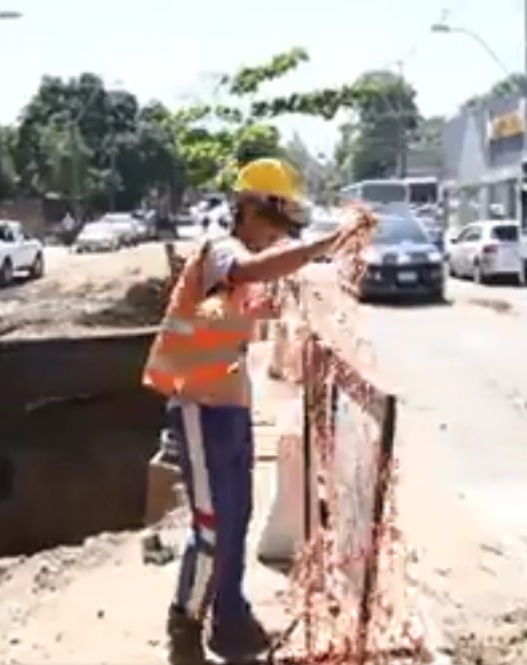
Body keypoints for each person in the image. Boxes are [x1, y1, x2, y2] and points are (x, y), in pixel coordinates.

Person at [143, 157, 375, 663]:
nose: (278, 237)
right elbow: (250, 271)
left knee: (237, 519)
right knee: (210, 527)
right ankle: (184, 627)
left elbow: (254, 305)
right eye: (276, 224)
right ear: (251, 209)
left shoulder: (245, 275)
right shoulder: (221, 252)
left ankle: (229, 617)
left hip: (229, 414)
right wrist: (324, 244)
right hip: (199, 411)